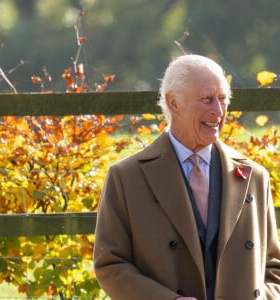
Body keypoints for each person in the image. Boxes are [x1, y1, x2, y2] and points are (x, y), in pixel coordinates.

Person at [93, 54, 280, 300]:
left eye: (223, 99)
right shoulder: (126, 178)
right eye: (207, 100)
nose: (219, 111)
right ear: (173, 103)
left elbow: (274, 268)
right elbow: (110, 264)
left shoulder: (255, 177)